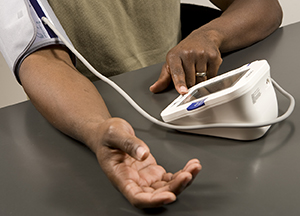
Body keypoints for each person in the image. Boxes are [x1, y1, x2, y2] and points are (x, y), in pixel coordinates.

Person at [0, 0, 282, 209]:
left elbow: (263, 6)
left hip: (180, 102)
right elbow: (42, 60)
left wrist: (209, 35)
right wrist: (98, 130)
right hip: (88, 119)